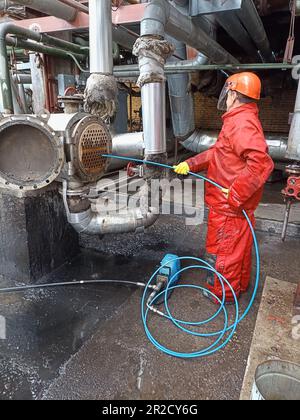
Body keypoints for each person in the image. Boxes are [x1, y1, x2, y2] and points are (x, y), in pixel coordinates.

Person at [174, 72, 274, 303]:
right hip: (234, 207)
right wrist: (190, 164)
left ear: (234, 94)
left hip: (228, 206)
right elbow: (219, 153)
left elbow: (261, 162)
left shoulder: (241, 123)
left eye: (228, 92)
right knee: (238, 250)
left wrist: (236, 192)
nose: (226, 97)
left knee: (222, 252)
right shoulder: (238, 119)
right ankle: (239, 286)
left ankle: (223, 295)